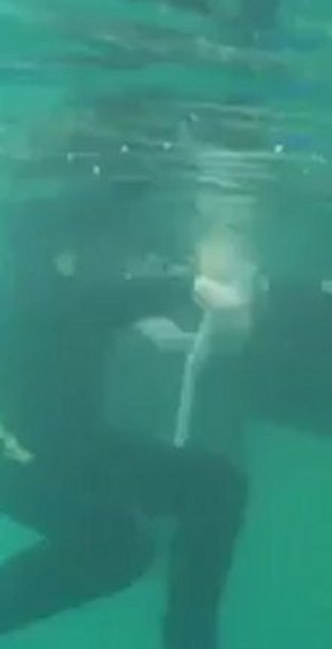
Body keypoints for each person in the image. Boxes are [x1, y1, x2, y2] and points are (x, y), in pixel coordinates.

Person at [0, 216, 250, 649]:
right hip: (24, 451)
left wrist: (194, 283)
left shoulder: (59, 270)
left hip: (63, 445)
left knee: (212, 489)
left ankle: (190, 641)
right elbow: (79, 302)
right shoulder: (41, 264)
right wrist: (194, 284)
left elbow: (89, 303)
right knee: (119, 544)